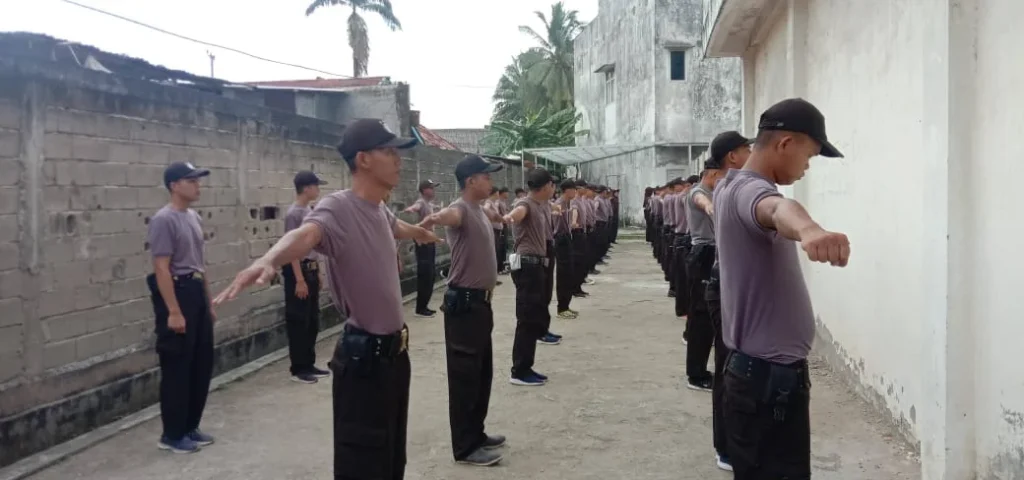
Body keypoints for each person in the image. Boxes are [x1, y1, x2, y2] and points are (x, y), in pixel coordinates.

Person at [213, 118, 439, 480]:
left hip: (395, 358)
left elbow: (397, 226)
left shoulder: (379, 208)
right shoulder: (338, 208)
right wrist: (268, 260)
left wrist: (421, 235)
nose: (398, 159)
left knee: (391, 459)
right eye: (388, 151)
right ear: (363, 159)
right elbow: (306, 235)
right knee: (363, 464)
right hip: (364, 359)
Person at [715, 98, 848, 479]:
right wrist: (810, 230)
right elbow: (774, 209)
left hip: (760, 380)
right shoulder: (749, 192)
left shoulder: (730, 186)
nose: (807, 167)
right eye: (809, 156)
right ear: (786, 144)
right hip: (767, 386)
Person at [420, 155, 508, 467]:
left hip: (481, 304)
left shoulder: (480, 210)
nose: (491, 181)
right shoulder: (460, 209)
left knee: (481, 373)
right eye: (487, 176)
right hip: (465, 305)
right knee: (464, 377)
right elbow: (448, 215)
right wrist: (430, 221)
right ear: (471, 180)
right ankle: (465, 447)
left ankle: (477, 432)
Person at [146, 161, 216, 454]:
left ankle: (190, 426)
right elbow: (161, 268)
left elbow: (200, 263)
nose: (198, 185)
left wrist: (208, 300)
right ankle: (172, 435)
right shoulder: (164, 219)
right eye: (192, 180)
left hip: (195, 290)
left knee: (201, 362)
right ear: (175, 185)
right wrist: (173, 310)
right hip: (177, 292)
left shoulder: (193, 217)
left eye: (198, 180)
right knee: (178, 364)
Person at [698, 130, 754, 471]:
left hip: (738, 288)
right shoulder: (726, 192)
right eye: (746, 148)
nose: (751, 152)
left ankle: (737, 442)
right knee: (728, 369)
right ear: (731, 157)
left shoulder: (737, 188)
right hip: (726, 288)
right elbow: (702, 201)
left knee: (738, 369)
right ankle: (726, 447)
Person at [503, 168, 558, 386]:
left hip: (536, 266)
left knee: (533, 316)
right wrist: (509, 217)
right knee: (526, 319)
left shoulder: (541, 203)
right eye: (552, 185)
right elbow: (517, 214)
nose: (554, 189)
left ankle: (526, 366)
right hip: (527, 267)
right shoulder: (524, 204)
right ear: (545, 187)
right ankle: (519, 371)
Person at [282, 171, 331, 384]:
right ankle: (298, 368)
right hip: (297, 270)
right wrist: (299, 279)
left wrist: (317, 271)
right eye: (316, 186)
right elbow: (291, 247)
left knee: (312, 320)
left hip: (309, 268)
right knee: (299, 320)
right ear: (306, 188)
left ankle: (309, 363)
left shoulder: (309, 211)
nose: (318, 190)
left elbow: (313, 246)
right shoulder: (293, 213)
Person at [403, 179, 442, 318]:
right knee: (425, 276)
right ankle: (421, 308)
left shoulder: (428, 204)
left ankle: (424, 306)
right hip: (423, 244)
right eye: (431, 188)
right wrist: (410, 209)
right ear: (425, 190)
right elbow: (416, 207)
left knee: (430, 276)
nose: (434, 190)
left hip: (429, 243)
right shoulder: (421, 202)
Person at [552, 180, 579, 319]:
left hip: (567, 237)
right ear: (567, 190)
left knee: (569, 273)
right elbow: (554, 225)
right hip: (561, 239)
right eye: (573, 189)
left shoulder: (568, 203)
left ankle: (566, 305)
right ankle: (562, 308)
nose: (575, 192)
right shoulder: (559, 203)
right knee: (563, 274)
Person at [570, 180, 592, 297]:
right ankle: (575, 288)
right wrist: (573, 222)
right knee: (578, 261)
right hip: (577, 232)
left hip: (582, 232)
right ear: (578, 188)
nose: (586, 190)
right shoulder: (575, 200)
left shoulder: (582, 200)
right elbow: (574, 211)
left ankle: (578, 286)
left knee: (583, 261)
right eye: (584, 187)